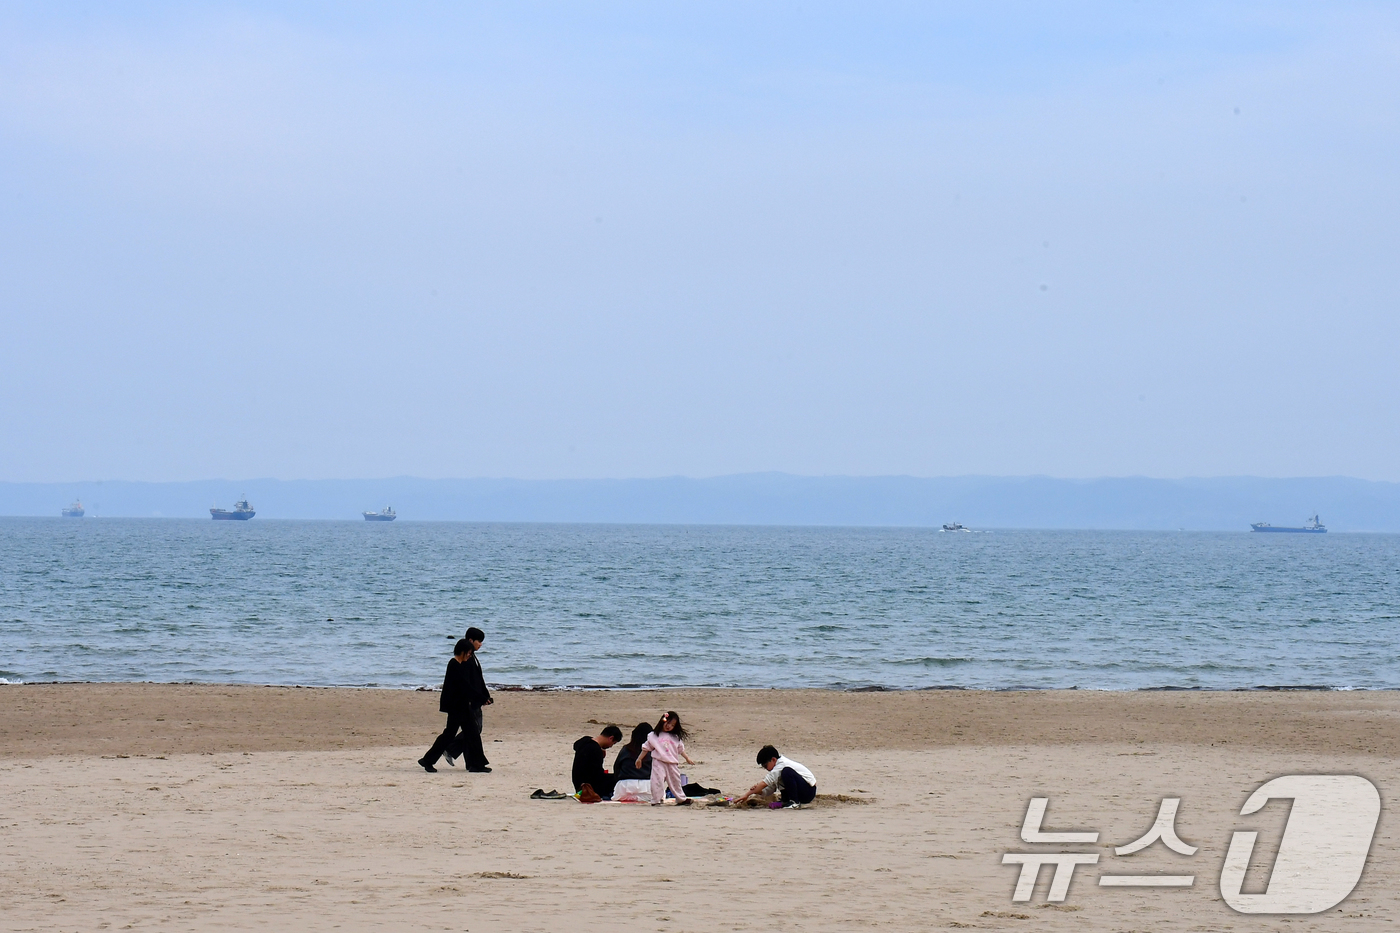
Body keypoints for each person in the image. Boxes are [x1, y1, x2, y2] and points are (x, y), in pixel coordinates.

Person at [417, 639, 476, 773]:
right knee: (449, 734)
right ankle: (427, 760)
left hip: (462, 705)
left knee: (472, 733)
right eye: (468, 653)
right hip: (456, 706)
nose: (469, 656)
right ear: (462, 651)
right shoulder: (454, 664)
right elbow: (461, 686)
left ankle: (476, 764)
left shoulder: (461, 664)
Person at [442, 627, 493, 772]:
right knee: (473, 730)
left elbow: (478, 680)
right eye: (479, 641)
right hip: (468, 701)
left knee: (473, 731)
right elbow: (466, 684)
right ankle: (453, 751)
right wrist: (478, 697)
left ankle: (471, 762)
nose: (480, 644)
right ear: (471, 640)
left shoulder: (472, 658)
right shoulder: (465, 660)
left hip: (475, 698)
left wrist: (485, 696)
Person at [638, 711, 695, 807]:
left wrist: (687, 758)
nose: (669, 726)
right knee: (657, 781)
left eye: (672, 725)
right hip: (658, 761)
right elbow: (646, 748)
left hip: (672, 763)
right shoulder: (653, 735)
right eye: (668, 723)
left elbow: (680, 750)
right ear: (663, 721)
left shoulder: (675, 737)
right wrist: (639, 759)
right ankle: (656, 800)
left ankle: (681, 799)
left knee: (675, 781)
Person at [735, 745, 816, 808]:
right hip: (801, 791)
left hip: (808, 791)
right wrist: (758, 791)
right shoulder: (776, 771)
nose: (766, 768)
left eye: (765, 765)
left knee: (787, 771)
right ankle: (786, 801)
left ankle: (794, 802)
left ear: (773, 759)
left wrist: (746, 795)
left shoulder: (781, 764)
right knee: (783, 775)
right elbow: (769, 789)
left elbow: (764, 783)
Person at [572, 725, 623, 799]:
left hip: (578, 783)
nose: (611, 746)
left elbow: (575, 745)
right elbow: (597, 776)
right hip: (588, 787)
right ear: (610, 738)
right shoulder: (595, 750)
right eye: (613, 743)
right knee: (617, 779)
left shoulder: (585, 741)